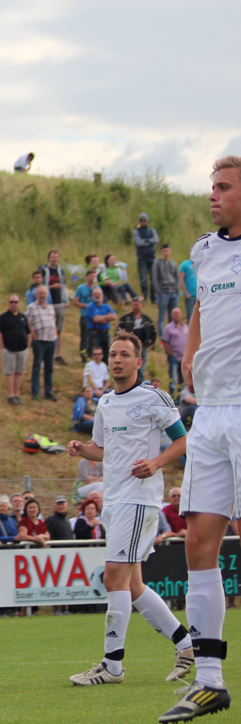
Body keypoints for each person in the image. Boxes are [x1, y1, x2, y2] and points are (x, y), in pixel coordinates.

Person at [150, 158, 241, 720]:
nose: (213, 195)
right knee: (199, 544)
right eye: (212, 186)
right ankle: (209, 681)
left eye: (224, 188)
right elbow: (205, 304)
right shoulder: (204, 251)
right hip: (209, 413)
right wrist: (191, 349)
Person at [66, 332, 194, 691]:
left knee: (113, 579)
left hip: (139, 500)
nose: (117, 360)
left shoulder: (153, 397)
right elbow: (102, 448)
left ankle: (112, 665)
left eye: (124, 354)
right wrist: (81, 449)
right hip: (114, 499)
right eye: (113, 354)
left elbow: (184, 439)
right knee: (133, 585)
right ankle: (187, 644)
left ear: (138, 362)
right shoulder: (106, 401)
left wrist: (156, 462)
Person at [0, 295, 30, 405]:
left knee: (19, 372)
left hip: (22, 350)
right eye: (11, 302)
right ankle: (10, 395)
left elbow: (28, 332)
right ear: (8, 303)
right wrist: (2, 346)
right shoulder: (3, 317)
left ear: (19, 303)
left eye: (16, 302)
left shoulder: (23, 317)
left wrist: (28, 345)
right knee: (10, 372)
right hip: (9, 349)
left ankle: (17, 394)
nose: (13, 304)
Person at [38, 250, 69, 364]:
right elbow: (40, 286)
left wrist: (66, 300)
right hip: (48, 302)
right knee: (47, 328)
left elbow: (64, 286)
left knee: (59, 330)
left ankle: (58, 354)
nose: (55, 259)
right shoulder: (43, 270)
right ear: (49, 258)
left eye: (56, 257)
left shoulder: (61, 271)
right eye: (53, 257)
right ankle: (46, 355)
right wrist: (51, 287)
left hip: (59, 302)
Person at [27, 285, 58, 401]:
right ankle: (35, 392)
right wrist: (33, 335)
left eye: (44, 293)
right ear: (36, 295)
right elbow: (28, 323)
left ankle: (48, 392)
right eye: (40, 293)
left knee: (49, 367)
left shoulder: (51, 307)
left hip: (51, 340)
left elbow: (54, 321)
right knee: (37, 367)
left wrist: (55, 334)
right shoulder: (31, 307)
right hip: (39, 341)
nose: (42, 295)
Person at [117, 297, 157, 373]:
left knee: (141, 367)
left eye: (137, 305)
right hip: (128, 346)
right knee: (129, 366)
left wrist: (151, 342)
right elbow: (118, 330)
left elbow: (153, 331)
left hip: (142, 346)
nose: (135, 307)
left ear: (141, 305)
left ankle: (140, 380)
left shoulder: (147, 319)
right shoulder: (125, 318)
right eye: (133, 305)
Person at [73, 269, 102, 362]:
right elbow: (75, 302)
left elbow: (101, 301)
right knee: (84, 337)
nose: (92, 278)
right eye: (90, 276)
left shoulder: (97, 288)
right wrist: (87, 306)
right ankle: (83, 356)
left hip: (95, 316)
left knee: (93, 337)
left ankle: (91, 355)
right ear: (87, 277)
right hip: (85, 315)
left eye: (94, 276)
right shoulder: (81, 288)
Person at [160, 307, 188, 397]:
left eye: (178, 314)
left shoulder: (186, 327)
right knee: (173, 380)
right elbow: (165, 342)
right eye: (175, 314)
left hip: (184, 358)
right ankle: (172, 398)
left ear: (181, 315)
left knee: (183, 381)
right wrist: (171, 354)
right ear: (171, 316)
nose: (176, 316)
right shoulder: (168, 328)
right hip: (174, 358)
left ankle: (181, 399)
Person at [85, 287, 117, 364]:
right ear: (92, 296)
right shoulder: (90, 306)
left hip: (106, 334)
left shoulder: (106, 306)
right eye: (95, 294)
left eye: (99, 294)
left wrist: (102, 318)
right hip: (95, 334)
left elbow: (114, 317)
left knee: (107, 355)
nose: (97, 296)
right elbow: (96, 319)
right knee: (94, 354)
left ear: (102, 295)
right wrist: (108, 318)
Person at [133, 213, 160, 300]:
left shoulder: (152, 230)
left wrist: (146, 240)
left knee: (153, 278)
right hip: (142, 258)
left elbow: (156, 240)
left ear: (147, 221)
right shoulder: (136, 231)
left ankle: (153, 297)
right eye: (141, 220)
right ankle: (145, 296)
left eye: (144, 220)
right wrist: (150, 243)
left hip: (151, 257)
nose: (143, 221)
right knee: (143, 279)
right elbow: (139, 242)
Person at [178, 252, 198, 323]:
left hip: (199, 295)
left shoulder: (200, 263)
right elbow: (181, 279)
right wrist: (186, 293)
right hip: (190, 295)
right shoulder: (184, 264)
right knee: (190, 316)